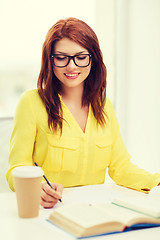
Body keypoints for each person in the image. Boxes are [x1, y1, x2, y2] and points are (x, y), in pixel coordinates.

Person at [6, 17, 160, 208]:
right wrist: (36, 188)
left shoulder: (104, 107)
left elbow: (121, 167)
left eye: (80, 57)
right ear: (49, 60)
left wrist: (156, 181)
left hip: (94, 212)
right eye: (61, 57)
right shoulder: (31, 103)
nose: (71, 66)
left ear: (93, 59)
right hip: (49, 212)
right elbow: (16, 168)